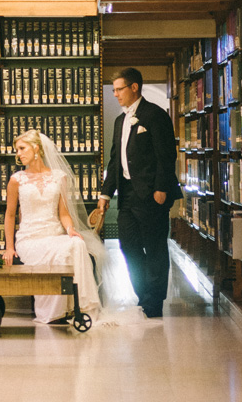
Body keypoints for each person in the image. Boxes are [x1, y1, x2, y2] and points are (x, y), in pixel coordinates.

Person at [96, 68, 182, 318]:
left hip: (152, 194)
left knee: (154, 247)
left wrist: (161, 188)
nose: (115, 95)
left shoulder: (155, 115)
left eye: (119, 89)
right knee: (128, 246)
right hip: (127, 194)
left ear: (134, 87)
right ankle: (143, 293)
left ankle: (154, 301)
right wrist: (104, 195)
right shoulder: (120, 120)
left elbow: (166, 155)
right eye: (113, 90)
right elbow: (115, 160)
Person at [3, 129, 103, 324]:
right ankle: (54, 311)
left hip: (56, 235)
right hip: (30, 240)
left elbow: (64, 213)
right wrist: (9, 247)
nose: (18, 154)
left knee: (77, 244)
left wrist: (70, 230)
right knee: (63, 250)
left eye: (22, 148)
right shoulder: (17, 179)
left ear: (36, 148)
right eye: (17, 150)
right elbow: (10, 215)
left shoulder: (59, 177)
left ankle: (84, 307)